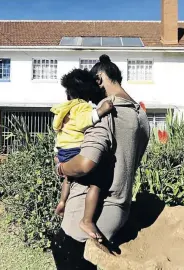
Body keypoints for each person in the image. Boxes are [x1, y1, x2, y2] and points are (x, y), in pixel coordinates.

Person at [51, 54, 150, 269]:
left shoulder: (106, 111)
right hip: (120, 210)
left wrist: (60, 168)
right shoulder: (141, 116)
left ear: (99, 80)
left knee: (62, 248)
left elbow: (85, 163)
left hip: (89, 216)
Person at [51, 69, 115, 240]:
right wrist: (101, 111)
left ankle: (63, 202)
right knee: (97, 182)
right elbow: (83, 121)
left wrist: (56, 152)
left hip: (63, 151)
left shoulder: (64, 108)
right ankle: (87, 220)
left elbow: (60, 132)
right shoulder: (81, 106)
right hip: (75, 150)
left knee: (68, 178)